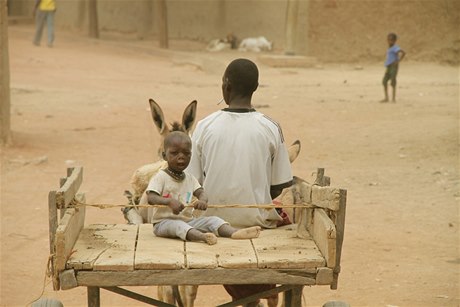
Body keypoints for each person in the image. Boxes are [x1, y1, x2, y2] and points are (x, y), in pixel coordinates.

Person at [187, 58, 293, 306]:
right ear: (255, 87)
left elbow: (193, 183)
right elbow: (279, 185)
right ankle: (257, 298)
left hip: (209, 223)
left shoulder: (203, 127)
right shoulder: (270, 127)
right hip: (256, 222)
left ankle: (248, 301)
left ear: (226, 86)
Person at [146, 131, 261, 245]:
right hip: (163, 223)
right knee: (178, 226)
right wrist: (169, 202)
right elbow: (151, 197)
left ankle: (235, 233)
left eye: (186, 153)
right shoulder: (160, 177)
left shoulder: (190, 178)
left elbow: (201, 192)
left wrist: (202, 200)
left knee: (213, 220)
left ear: (191, 155)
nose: (181, 157)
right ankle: (202, 236)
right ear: (164, 156)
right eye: (174, 153)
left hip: (188, 221)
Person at [381, 32, 406, 103]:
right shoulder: (389, 48)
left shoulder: (395, 47)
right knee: (384, 81)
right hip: (388, 66)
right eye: (388, 40)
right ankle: (386, 98)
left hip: (393, 67)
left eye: (391, 40)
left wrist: (398, 61)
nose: (389, 41)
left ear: (394, 41)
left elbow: (403, 52)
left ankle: (393, 99)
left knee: (393, 82)